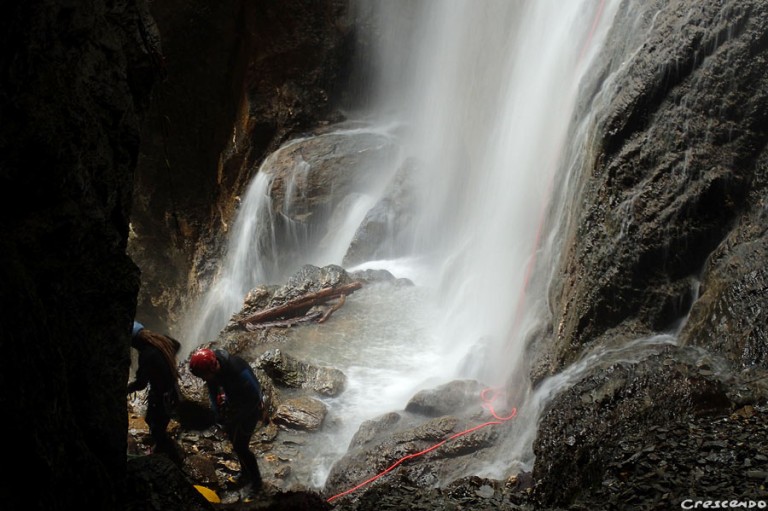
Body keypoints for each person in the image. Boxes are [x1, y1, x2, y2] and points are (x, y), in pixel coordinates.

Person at [189, 347, 265, 498]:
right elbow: (212, 391)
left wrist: (233, 421)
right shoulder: (213, 371)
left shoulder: (237, 368)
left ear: (212, 367)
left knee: (241, 446)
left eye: (204, 375)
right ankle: (245, 474)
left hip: (251, 407)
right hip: (234, 403)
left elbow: (255, 397)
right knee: (233, 440)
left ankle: (257, 483)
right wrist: (218, 416)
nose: (204, 379)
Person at [127, 321, 183, 466]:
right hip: (171, 389)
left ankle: (175, 459)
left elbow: (141, 383)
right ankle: (162, 448)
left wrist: (126, 389)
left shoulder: (146, 354)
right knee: (151, 420)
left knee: (157, 429)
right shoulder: (161, 341)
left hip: (162, 396)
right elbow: (176, 345)